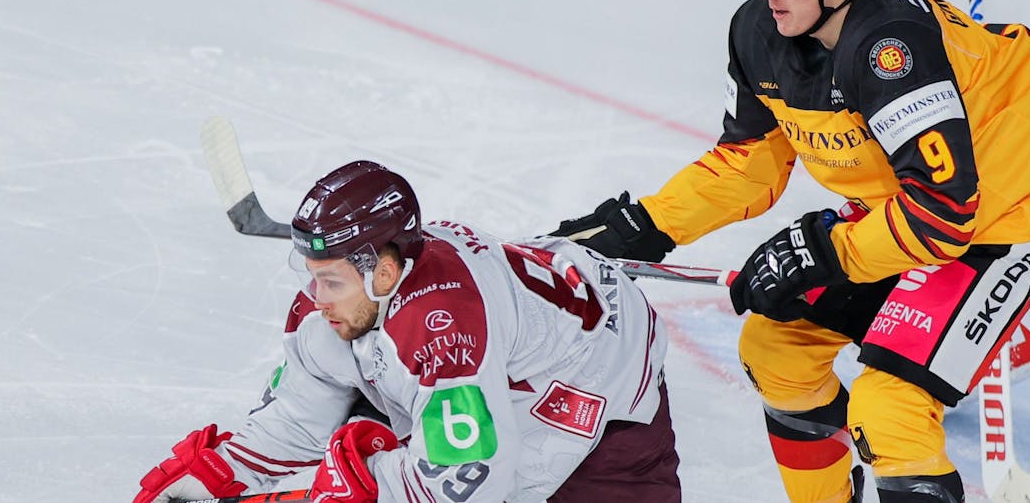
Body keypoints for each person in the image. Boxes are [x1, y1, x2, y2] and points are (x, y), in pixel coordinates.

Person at [551, 0, 1030, 501]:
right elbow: (750, 163)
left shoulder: (893, 50)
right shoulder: (758, 34)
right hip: (908, 207)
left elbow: (943, 218)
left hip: (1008, 218)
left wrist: (826, 250)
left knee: (888, 412)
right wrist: (648, 224)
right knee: (775, 350)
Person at [135, 161, 679, 503]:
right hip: (497, 349)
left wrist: (370, 486)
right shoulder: (338, 301)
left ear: (385, 271)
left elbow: (470, 475)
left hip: (595, 380)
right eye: (311, 276)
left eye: (330, 281)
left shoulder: (444, 329)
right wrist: (222, 471)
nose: (314, 298)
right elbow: (298, 419)